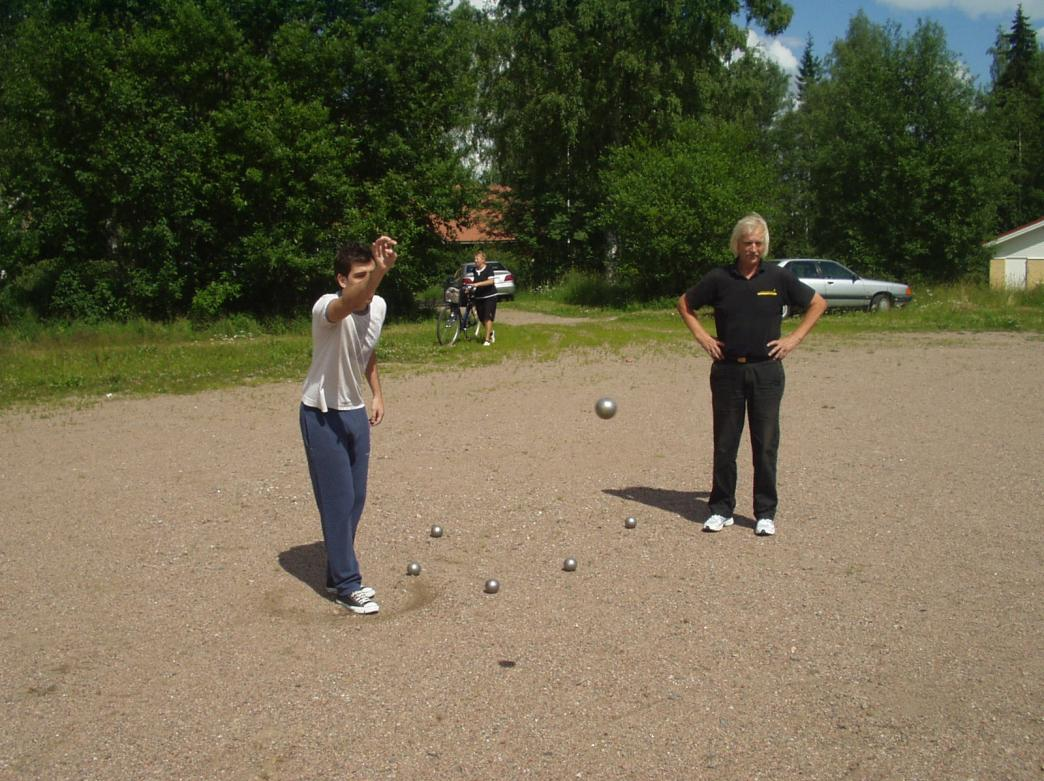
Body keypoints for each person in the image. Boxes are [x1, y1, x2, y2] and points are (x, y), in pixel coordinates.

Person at [677, 213, 827, 536]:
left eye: (759, 243)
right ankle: (721, 509)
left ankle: (765, 512)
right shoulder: (720, 278)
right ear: (737, 244)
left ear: (765, 245)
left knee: (766, 443)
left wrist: (794, 339)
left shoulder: (778, 278)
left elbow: (817, 303)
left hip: (766, 372)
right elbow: (685, 304)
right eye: (748, 243)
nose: (753, 248)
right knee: (725, 443)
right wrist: (704, 338)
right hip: (728, 371)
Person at [299, 236, 397, 614]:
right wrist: (380, 273)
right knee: (338, 501)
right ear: (342, 279)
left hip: (354, 410)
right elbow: (353, 303)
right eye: (358, 276)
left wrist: (377, 393)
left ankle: (335, 569)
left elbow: (365, 349)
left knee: (356, 498)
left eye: (369, 275)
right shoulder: (326, 306)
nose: (365, 283)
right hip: (321, 412)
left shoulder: (380, 305)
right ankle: (347, 584)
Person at [466, 249, 498, 346]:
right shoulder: (474, 270)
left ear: (483, 260)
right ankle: (491, 333)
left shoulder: (489, 269)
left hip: (490, 296)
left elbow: (491, 282)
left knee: (487, 317)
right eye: (475, 259)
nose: (475, 260)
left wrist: (478, 284)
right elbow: (473, 281)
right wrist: (469, 288)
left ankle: (487, 340)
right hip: (479, 297)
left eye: (477, 258)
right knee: (481, 318)